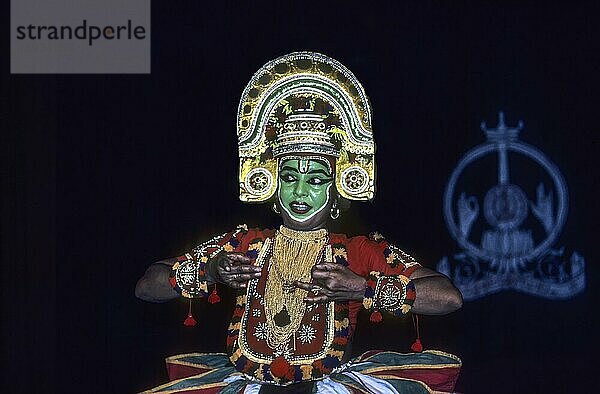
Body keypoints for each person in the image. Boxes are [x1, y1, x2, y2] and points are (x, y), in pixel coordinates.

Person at [136, 52, 463, 393]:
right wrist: (211, 271)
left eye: (317, 180)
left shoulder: (357, 251)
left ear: (336, 194)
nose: (300, 191)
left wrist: (360, 287)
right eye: (290, 177)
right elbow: (146, 285)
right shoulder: (243, 245)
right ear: (274, 189)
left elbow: (448, 297)